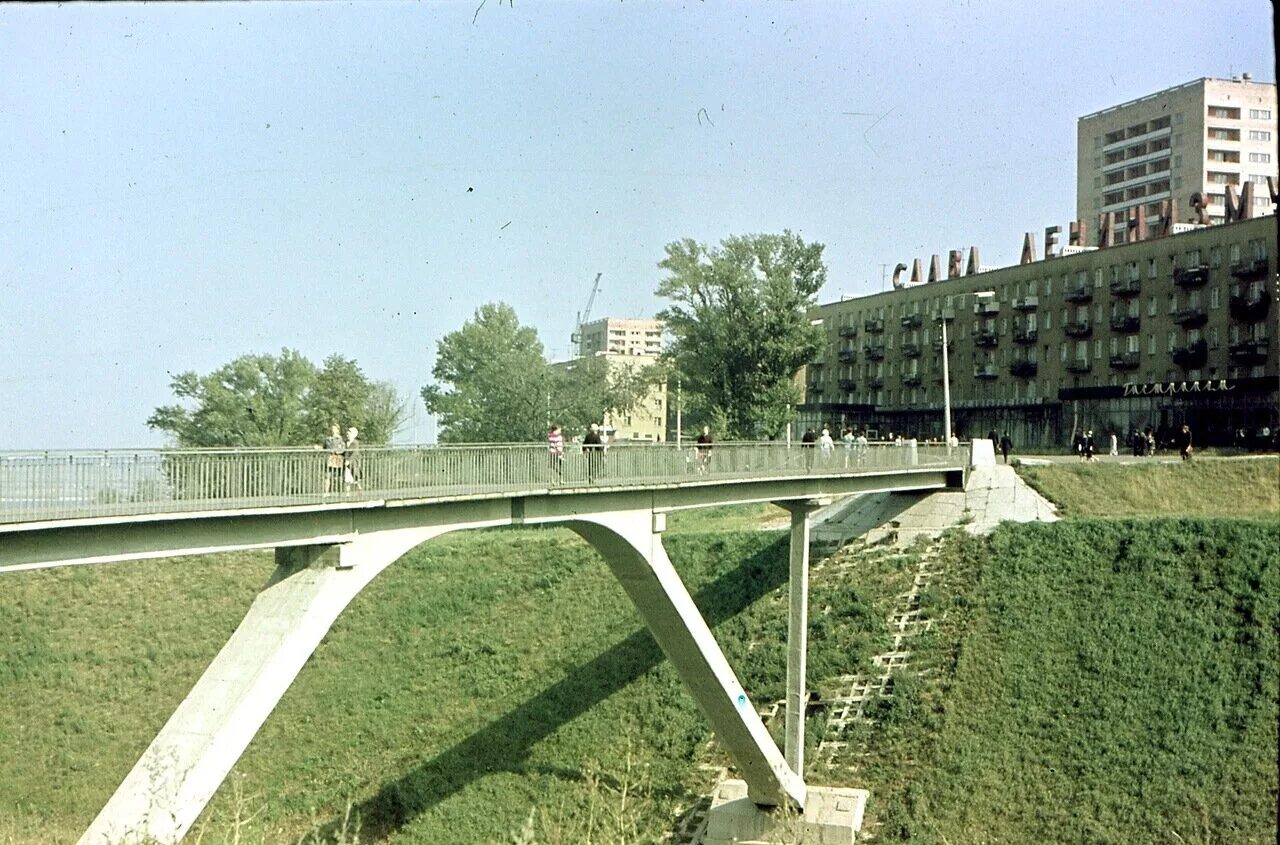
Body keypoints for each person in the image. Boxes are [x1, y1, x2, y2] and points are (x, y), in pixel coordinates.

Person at [323, 423, 345, 494]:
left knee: (338, 476)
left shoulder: (340, 439)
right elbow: (324, 448)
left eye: (335, 428)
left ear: (338, 430)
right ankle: (326, 492)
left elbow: (343, 449)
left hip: (337, 458)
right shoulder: (328, 439)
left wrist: (337, 451)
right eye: (332, 428)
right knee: (327, 476)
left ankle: (340, 492)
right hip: (330, 458)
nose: (333, 430)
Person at [343, 426, 362, 492]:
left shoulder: (355, 442)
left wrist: (349, 461)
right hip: (346, 462)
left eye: (350, 433)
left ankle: (359, 491)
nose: (347, 434)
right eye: (347, 432)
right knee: (347, 478)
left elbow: (355, 453)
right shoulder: (345, 442)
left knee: (355, 477)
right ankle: (347, 494)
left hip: (354, 462)